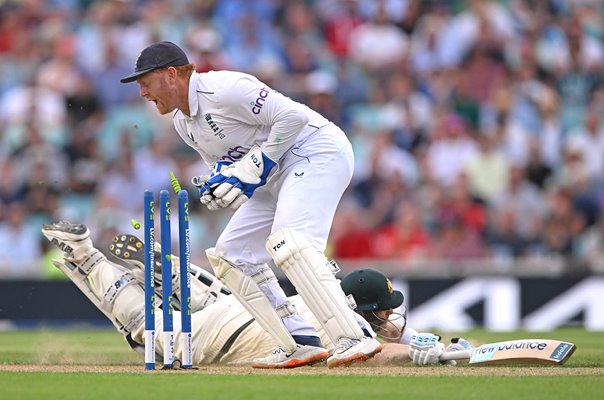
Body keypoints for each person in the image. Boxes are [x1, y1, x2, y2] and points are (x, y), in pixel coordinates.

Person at [119, 41, 382, 368]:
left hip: (315, 152)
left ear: (172, 75)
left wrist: (261, 160)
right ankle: (298, 340)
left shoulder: (224, 89)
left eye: (145, 82)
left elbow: (294, 116)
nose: (142, 92)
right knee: (231, 255)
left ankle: (354, 334)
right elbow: (228, 164)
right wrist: (219, 182)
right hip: (271, 177)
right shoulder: (183, 123)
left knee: (290, 244)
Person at [41, 221, 464, 367]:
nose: (391, 319)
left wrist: (450, 348)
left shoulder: (322, 297)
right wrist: (419, 353)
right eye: (386, 311)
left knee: (212, 295)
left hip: (242, 310)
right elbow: (380, 351)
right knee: (142, 331)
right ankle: (87, 255)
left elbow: (389, 338)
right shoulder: (353, 331)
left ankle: (165, 268)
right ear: (367, 311)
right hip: (216, 339)